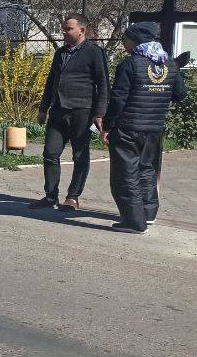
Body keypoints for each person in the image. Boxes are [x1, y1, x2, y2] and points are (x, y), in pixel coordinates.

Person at [104, 21, 188, 233]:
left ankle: (134, 222)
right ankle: (148, 214)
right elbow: (180, 94)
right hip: (154, 128)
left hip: (128, 127)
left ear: (136, 40)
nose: (124, 44)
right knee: (146, 169)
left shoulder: (130, 63)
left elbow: (118, 98)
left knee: (126, 173)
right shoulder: (168, 63)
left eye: (126, 40)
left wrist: (108, 124)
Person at [31, 13, 109, 211]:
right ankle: (50, 196)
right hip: (58, 111)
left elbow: (103, 85)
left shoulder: (94, 52)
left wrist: (99, 114)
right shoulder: (61, 52)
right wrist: (43, 108)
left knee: (80, 155)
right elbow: (51, 82)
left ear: (82, 30)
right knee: (50, 152)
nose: (64, 33)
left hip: (82, 111)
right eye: (64, 29)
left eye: (68, 29)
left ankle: (72, 197)